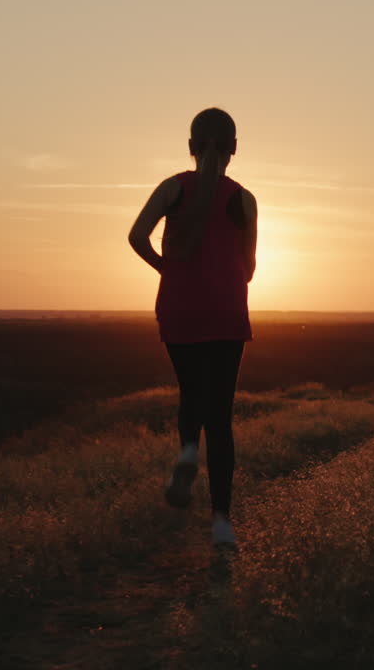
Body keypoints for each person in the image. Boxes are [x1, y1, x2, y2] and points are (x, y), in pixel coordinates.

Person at [128, 107, 257, 548]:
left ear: (190, 146)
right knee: (220, 419)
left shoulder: (171, 188)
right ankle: (222, 523)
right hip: (226, 312)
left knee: (190, 391)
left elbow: (136, 237)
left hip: (179, 307)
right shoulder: (244, 199)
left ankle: (186, 451)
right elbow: (250, 269)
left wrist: (169, 269)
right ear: (234, 148)